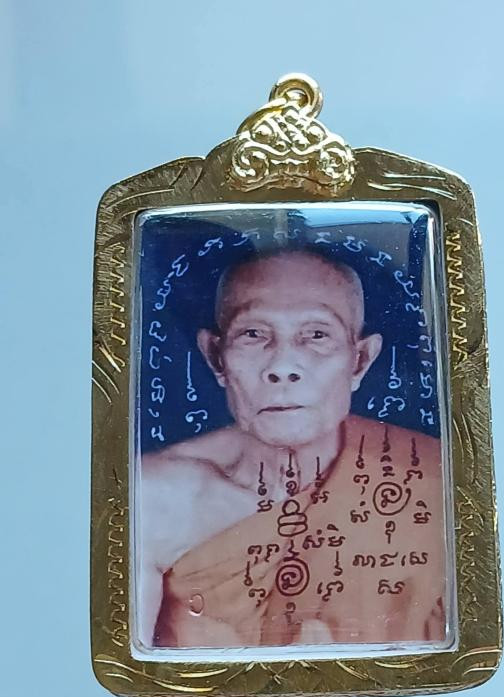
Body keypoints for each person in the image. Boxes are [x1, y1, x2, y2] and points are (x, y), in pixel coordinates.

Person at [138, 250, 447, 650]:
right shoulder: (155, 498)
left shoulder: (434, 481)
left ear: (360, 361)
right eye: (254, 334)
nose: (283, 366)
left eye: (316, 335)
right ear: (216, 357)